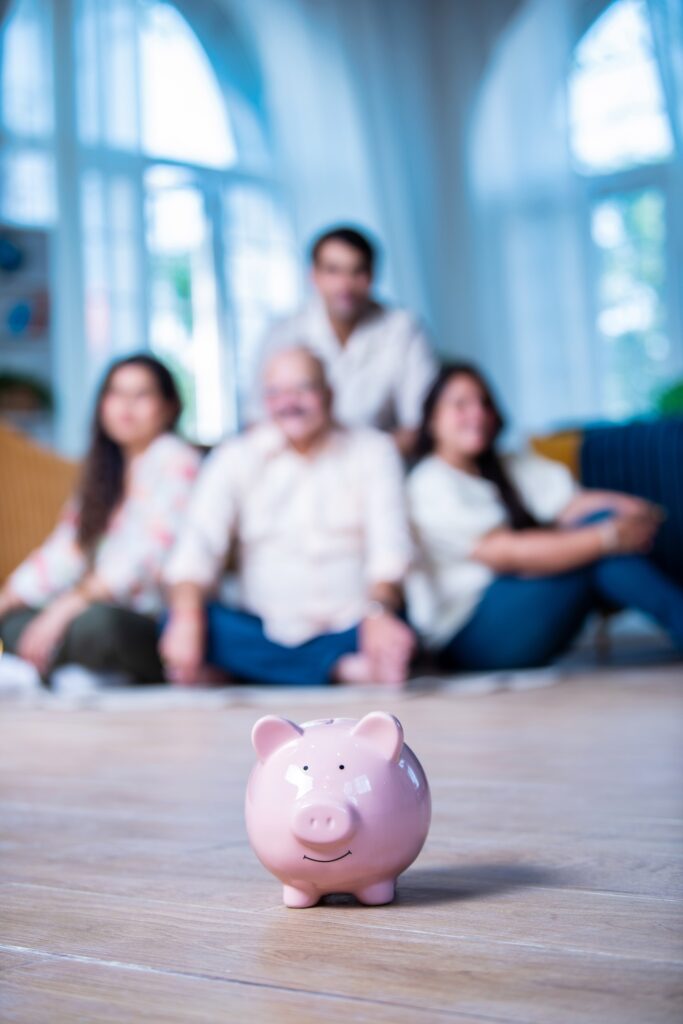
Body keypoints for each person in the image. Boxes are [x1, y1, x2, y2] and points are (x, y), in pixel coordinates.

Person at [161, 346, 416, 687]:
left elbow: (390, 548)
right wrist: (187, 619)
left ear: (329, 393)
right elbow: (197, 547)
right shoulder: (235, 457)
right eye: (276, 392)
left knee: (398, 629)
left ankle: (255, 672)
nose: (289, 402)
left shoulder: (374, 450)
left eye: (303, 389)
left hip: (354, 625)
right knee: (177, 618)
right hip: (265, 627)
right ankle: (336, 670)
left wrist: (378, 613)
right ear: (264, 402)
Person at [407, 363, 683, 671]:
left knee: (602, 525)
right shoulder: (430, 482)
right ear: (431, 419)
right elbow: (506, 553)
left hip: (519, 607)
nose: (477, 413)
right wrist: (608, 537)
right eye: (460, 404)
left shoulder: (507, 464)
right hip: (471, 635)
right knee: (598, 552)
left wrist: (633, 510)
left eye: (484, 402)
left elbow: (573, 504)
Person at [0, 354, 200, 689]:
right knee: (16, 620)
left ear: (168, 407)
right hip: (87, 606)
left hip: (146, 617)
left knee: (98, 626)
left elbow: (146, 558)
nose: (126, 406)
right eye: (116, 394)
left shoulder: (178, 460)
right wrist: (9, 596)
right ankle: (78, 670)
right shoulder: (103, 472)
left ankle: (46, 669)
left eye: (142, 395)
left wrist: (68, 607)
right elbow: (66, 550)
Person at [248, 226, 437, 456]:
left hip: (380, 463)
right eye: (333, 271)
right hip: (300, 466)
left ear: (372, 276)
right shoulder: (284, 332)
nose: (344, 285)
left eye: (357, 272)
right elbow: (257, 422)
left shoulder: (403, 329)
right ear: (313, 276)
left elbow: (420, 426)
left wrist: (359, 462)